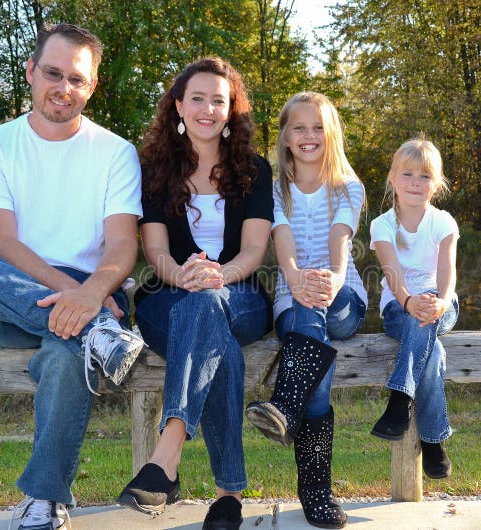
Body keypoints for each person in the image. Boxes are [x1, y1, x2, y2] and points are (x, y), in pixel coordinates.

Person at [0, 23, 144, 530]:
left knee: (67, 351)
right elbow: (0, 242)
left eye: (76, 79)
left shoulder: (114, 151)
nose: (63, 88)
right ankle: (97, 336)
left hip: (96, 289)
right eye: (52, 73)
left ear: (91, 87)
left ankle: (44, 500)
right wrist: (77, 302)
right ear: (30, 72)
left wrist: (89, 292)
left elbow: (122, 246)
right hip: (13, 293)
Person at [115, 57, 273, 530]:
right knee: (213, 336)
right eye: (197, 98)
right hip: (167, 296)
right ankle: (228, 495)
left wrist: (217, 276)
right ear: (179, 106)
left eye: (219, 100)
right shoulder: (154, 169)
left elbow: (254, 252)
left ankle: (167, 456)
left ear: (232, 110)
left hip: (240, 294)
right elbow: (155, 250)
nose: (208, 109)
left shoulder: (254, 170)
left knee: (210, 305)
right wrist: (183, 276)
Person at [245, 92, 366, 529]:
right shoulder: (276, 188)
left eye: (318, 127)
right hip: (292, 299)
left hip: (344, 300)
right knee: (308, 332)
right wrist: (295, 278)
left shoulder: (348, 185)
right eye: (299, 127)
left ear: (330, 133)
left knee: (314, 317)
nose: (309, 136)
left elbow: (339, 236)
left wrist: (332, 277)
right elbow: (283, 242)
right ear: (285, 135)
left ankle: (284, 407)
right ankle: (317, 494)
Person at [368, 137, 459, 480]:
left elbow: (447, 273)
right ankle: (433, 442)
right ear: (392, 178)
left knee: (426, 321)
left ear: (436, 184)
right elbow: (392, 274)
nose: (415, 183)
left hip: (441, 303)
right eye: (407, 174)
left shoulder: (443, 222)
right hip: (398, 307)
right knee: (431, 352)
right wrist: (409, 301)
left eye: (425, 176)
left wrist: (441, 300)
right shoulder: (383, 225)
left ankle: (399, 401)